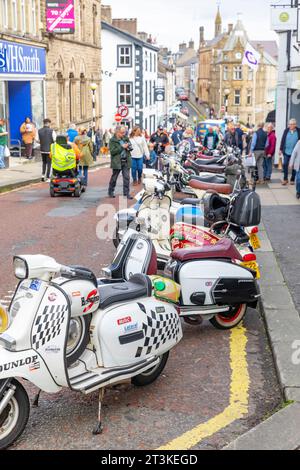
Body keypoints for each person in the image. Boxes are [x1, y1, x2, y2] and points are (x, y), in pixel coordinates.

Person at [108, 126, 133, 200]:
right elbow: (112, 152)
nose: (123, 134)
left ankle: (126, 193)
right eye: (122, 133)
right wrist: (122, 147)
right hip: (117, 161)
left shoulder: (125, 138)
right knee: (114, 178)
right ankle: (111, 191)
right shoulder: (112, 140)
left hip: (126, 160)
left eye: (124, 132)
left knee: (127, 178)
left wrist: (129, 146)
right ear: (117, 132)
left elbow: (129, 145)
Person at [279, 118, 300, 186]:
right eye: (289, 124)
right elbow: (283, 139)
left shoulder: (298, 131)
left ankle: (292, 179)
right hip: (286, 151)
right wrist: (280, 149)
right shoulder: (286, 130)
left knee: (294, 166)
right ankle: (285, 179)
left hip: (295, 152)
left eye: (291, 124)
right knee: (285, 164)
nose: (290, 126)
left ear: (295, 125)